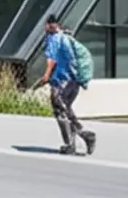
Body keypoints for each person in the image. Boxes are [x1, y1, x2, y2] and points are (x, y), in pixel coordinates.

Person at [34, 15, 96, 156]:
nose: (44, 28)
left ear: (51, 25)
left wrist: (46, 76)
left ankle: (84, 135)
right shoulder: (66, 37)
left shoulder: (53, 39)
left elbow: (52, 60)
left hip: (62, 81)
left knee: (60, 111)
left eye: (46, 24)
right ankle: (71, 145)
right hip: (74, 82)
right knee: (65, 110)